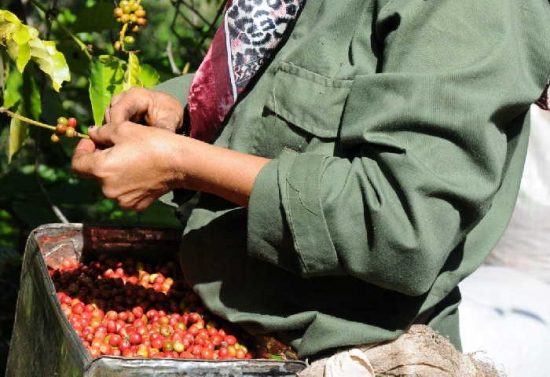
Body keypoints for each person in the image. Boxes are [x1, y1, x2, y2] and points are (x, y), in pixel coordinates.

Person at [72, 0, 550, 373]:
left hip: (346, 356)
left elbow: (401, 223)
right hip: (231, 323)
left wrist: (182, 164)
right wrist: (181, 107)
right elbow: (289, 83)